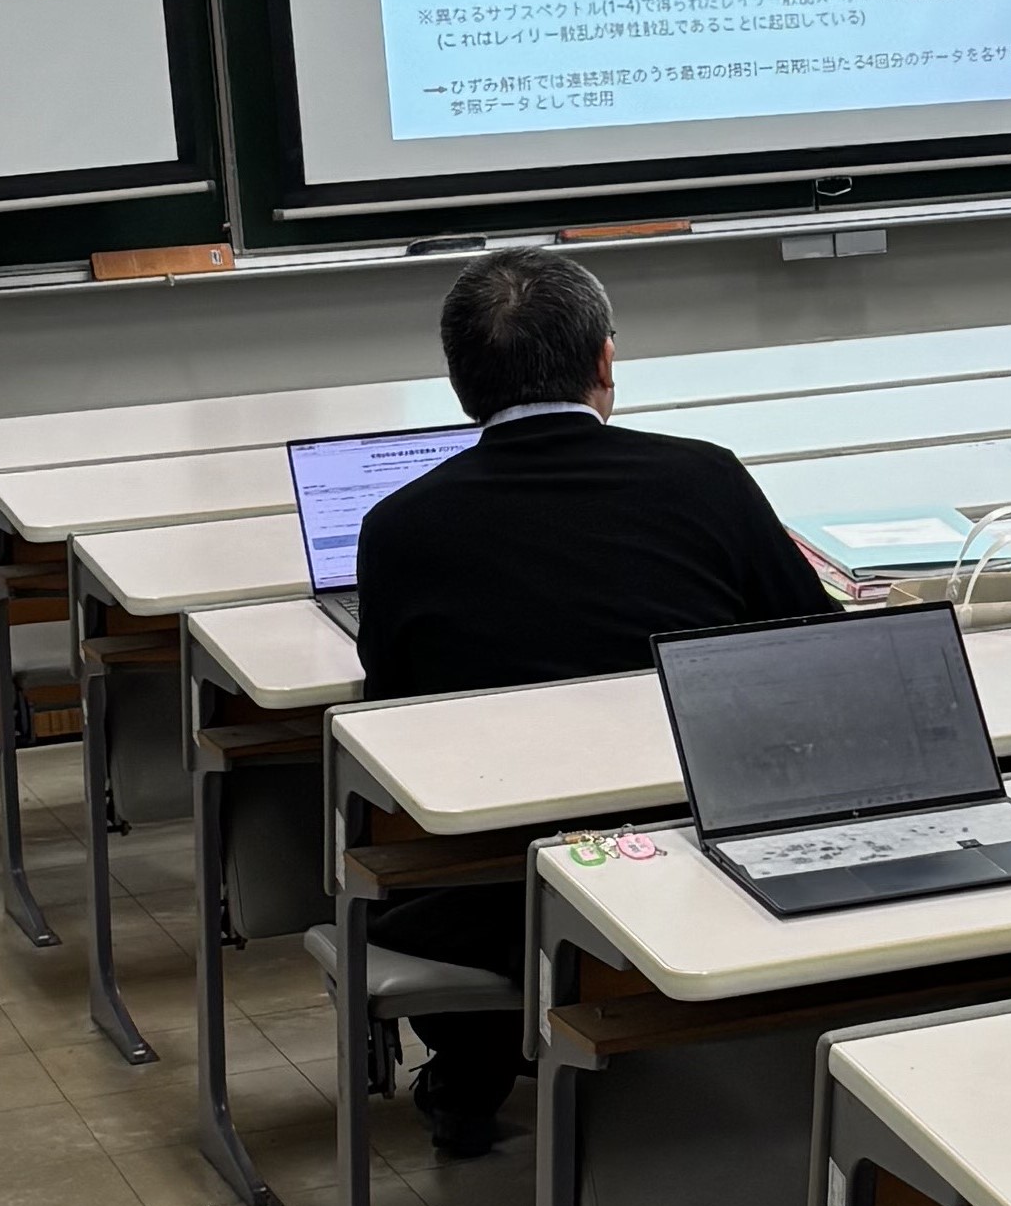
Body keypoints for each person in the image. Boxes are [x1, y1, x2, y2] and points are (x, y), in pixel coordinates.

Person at [352, 244, 825, 1149]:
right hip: (702, 853)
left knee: (427, 875)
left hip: (511, 881)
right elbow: (813, 650)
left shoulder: (399, 526)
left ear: (460, 383)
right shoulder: (706, 477)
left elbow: (396, 719)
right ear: (606, 361)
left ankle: (471, 1075)